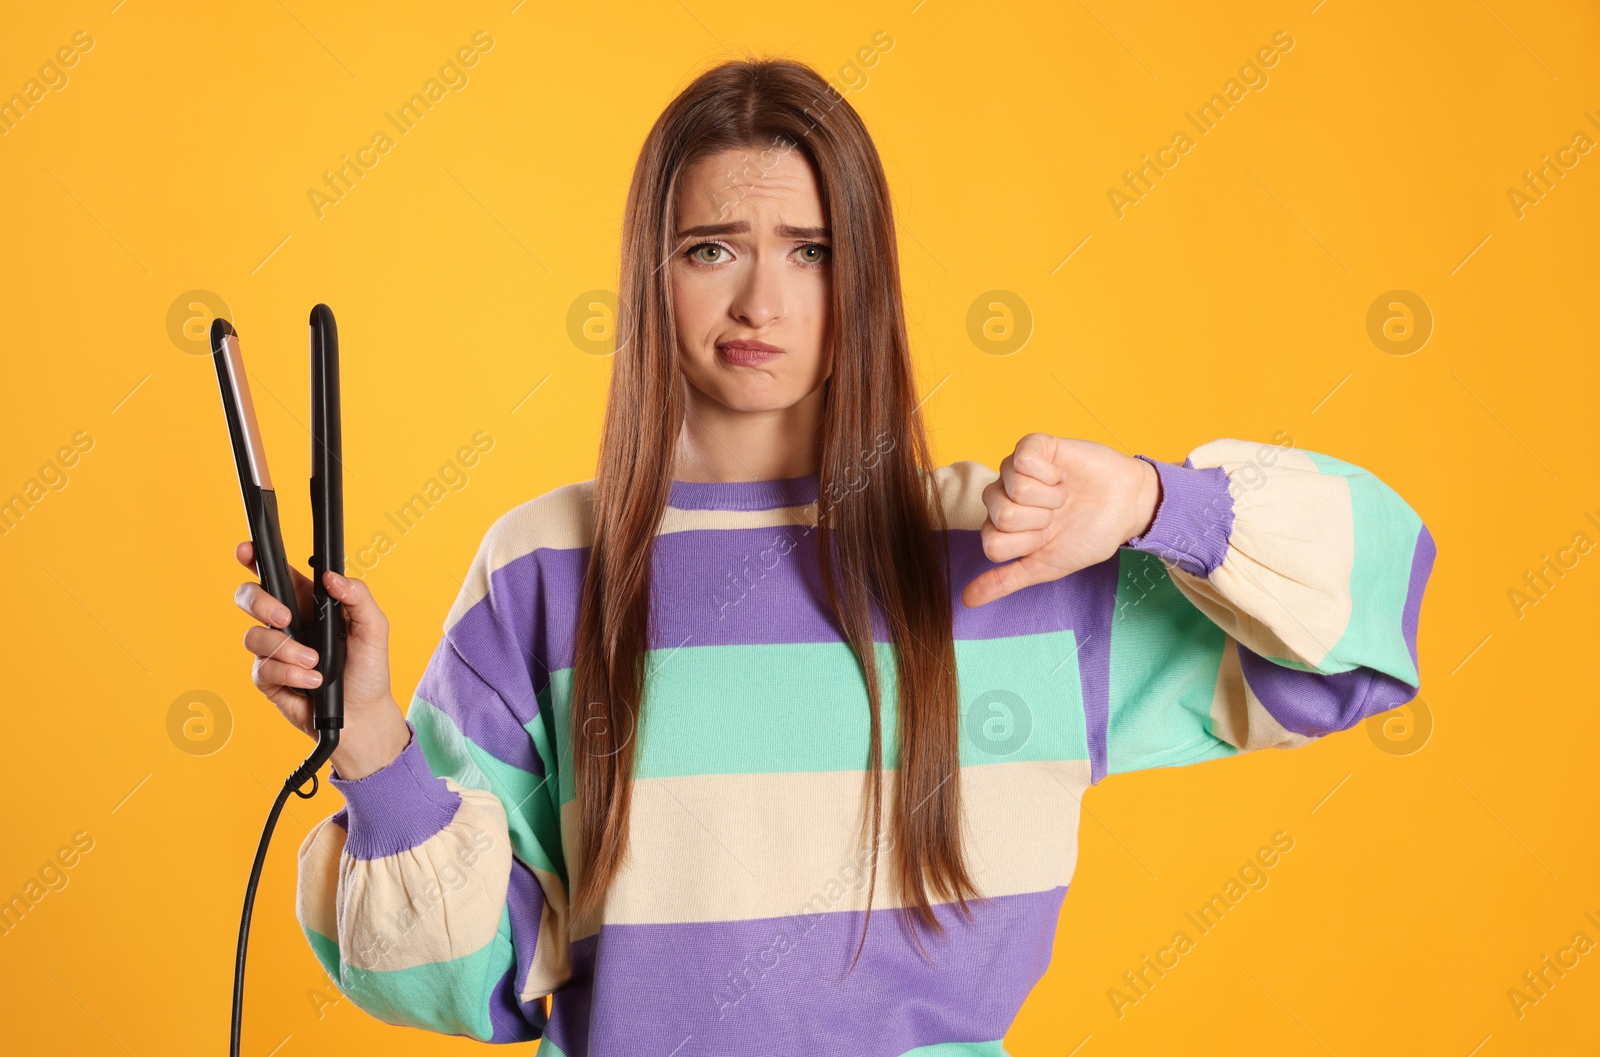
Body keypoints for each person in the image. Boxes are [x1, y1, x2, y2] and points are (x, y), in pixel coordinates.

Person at [231, 58, 1437, 1055]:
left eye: (809, 250)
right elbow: (476, 979)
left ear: (867, 279)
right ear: (651, 275)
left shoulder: (1007, 547)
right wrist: (374, 738)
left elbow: (1352, 650)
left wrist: (1151, 499)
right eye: (712, 246)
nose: (761, 297)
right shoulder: (546, 567)